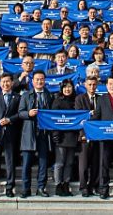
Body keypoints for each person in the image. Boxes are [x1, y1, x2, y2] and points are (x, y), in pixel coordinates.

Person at [17, 70, 53, 198]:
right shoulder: (26, 95)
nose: (39, 81)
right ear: (32, 81)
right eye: (37, 79)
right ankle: (26, 189)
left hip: (44, 133)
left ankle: (41, 187)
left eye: (42, 79)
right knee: (27, 163)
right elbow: (20, 113)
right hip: (29, 132)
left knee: (43, 162)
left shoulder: (49, 95)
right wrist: (28, 114)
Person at [51, 79, 78, 197]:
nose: (67, 89)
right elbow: (54, 119)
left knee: (69, 163)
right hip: (60, 136)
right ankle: (58, 185)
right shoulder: (57, 101)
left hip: (72, 136)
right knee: (59, 163)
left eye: (70, 87)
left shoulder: (76, 101)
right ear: (62, 89)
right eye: (65, 87)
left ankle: (66, 183)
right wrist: (55, 135)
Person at [75, 76, 100, 196]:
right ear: (85, 85)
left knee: (96, 163)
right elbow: (79, 117)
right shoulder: (79, 99)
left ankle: (94, 185)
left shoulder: (101, 99)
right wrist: (83, 134)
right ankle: (83, 187)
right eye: (89, 84)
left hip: (98, 136)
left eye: (94, 84)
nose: (92, 87)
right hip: (84, 136)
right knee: (83, 164)